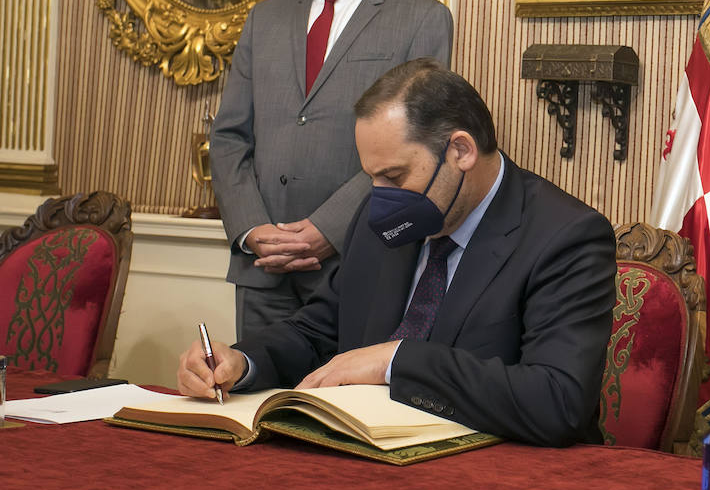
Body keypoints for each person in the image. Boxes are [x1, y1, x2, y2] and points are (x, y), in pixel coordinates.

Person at [183, 59, 616, 447]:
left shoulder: (565, 236)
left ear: (460, 151)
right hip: (361, 463)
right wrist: (243, 361)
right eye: (372, 177)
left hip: (499, 486)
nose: (379, 196)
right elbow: (318, 331)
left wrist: (397, 360)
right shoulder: (381, 222)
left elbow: (557, 400)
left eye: (394, 175)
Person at [210, 0, 454, 343]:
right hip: (263, 267)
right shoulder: (266, 18)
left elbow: (418, 148)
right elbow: (229, 137)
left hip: (356, 259)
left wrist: (327, 229)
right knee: (256, 403)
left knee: (340, 412)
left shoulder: (422, 17)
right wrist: (253, 229)